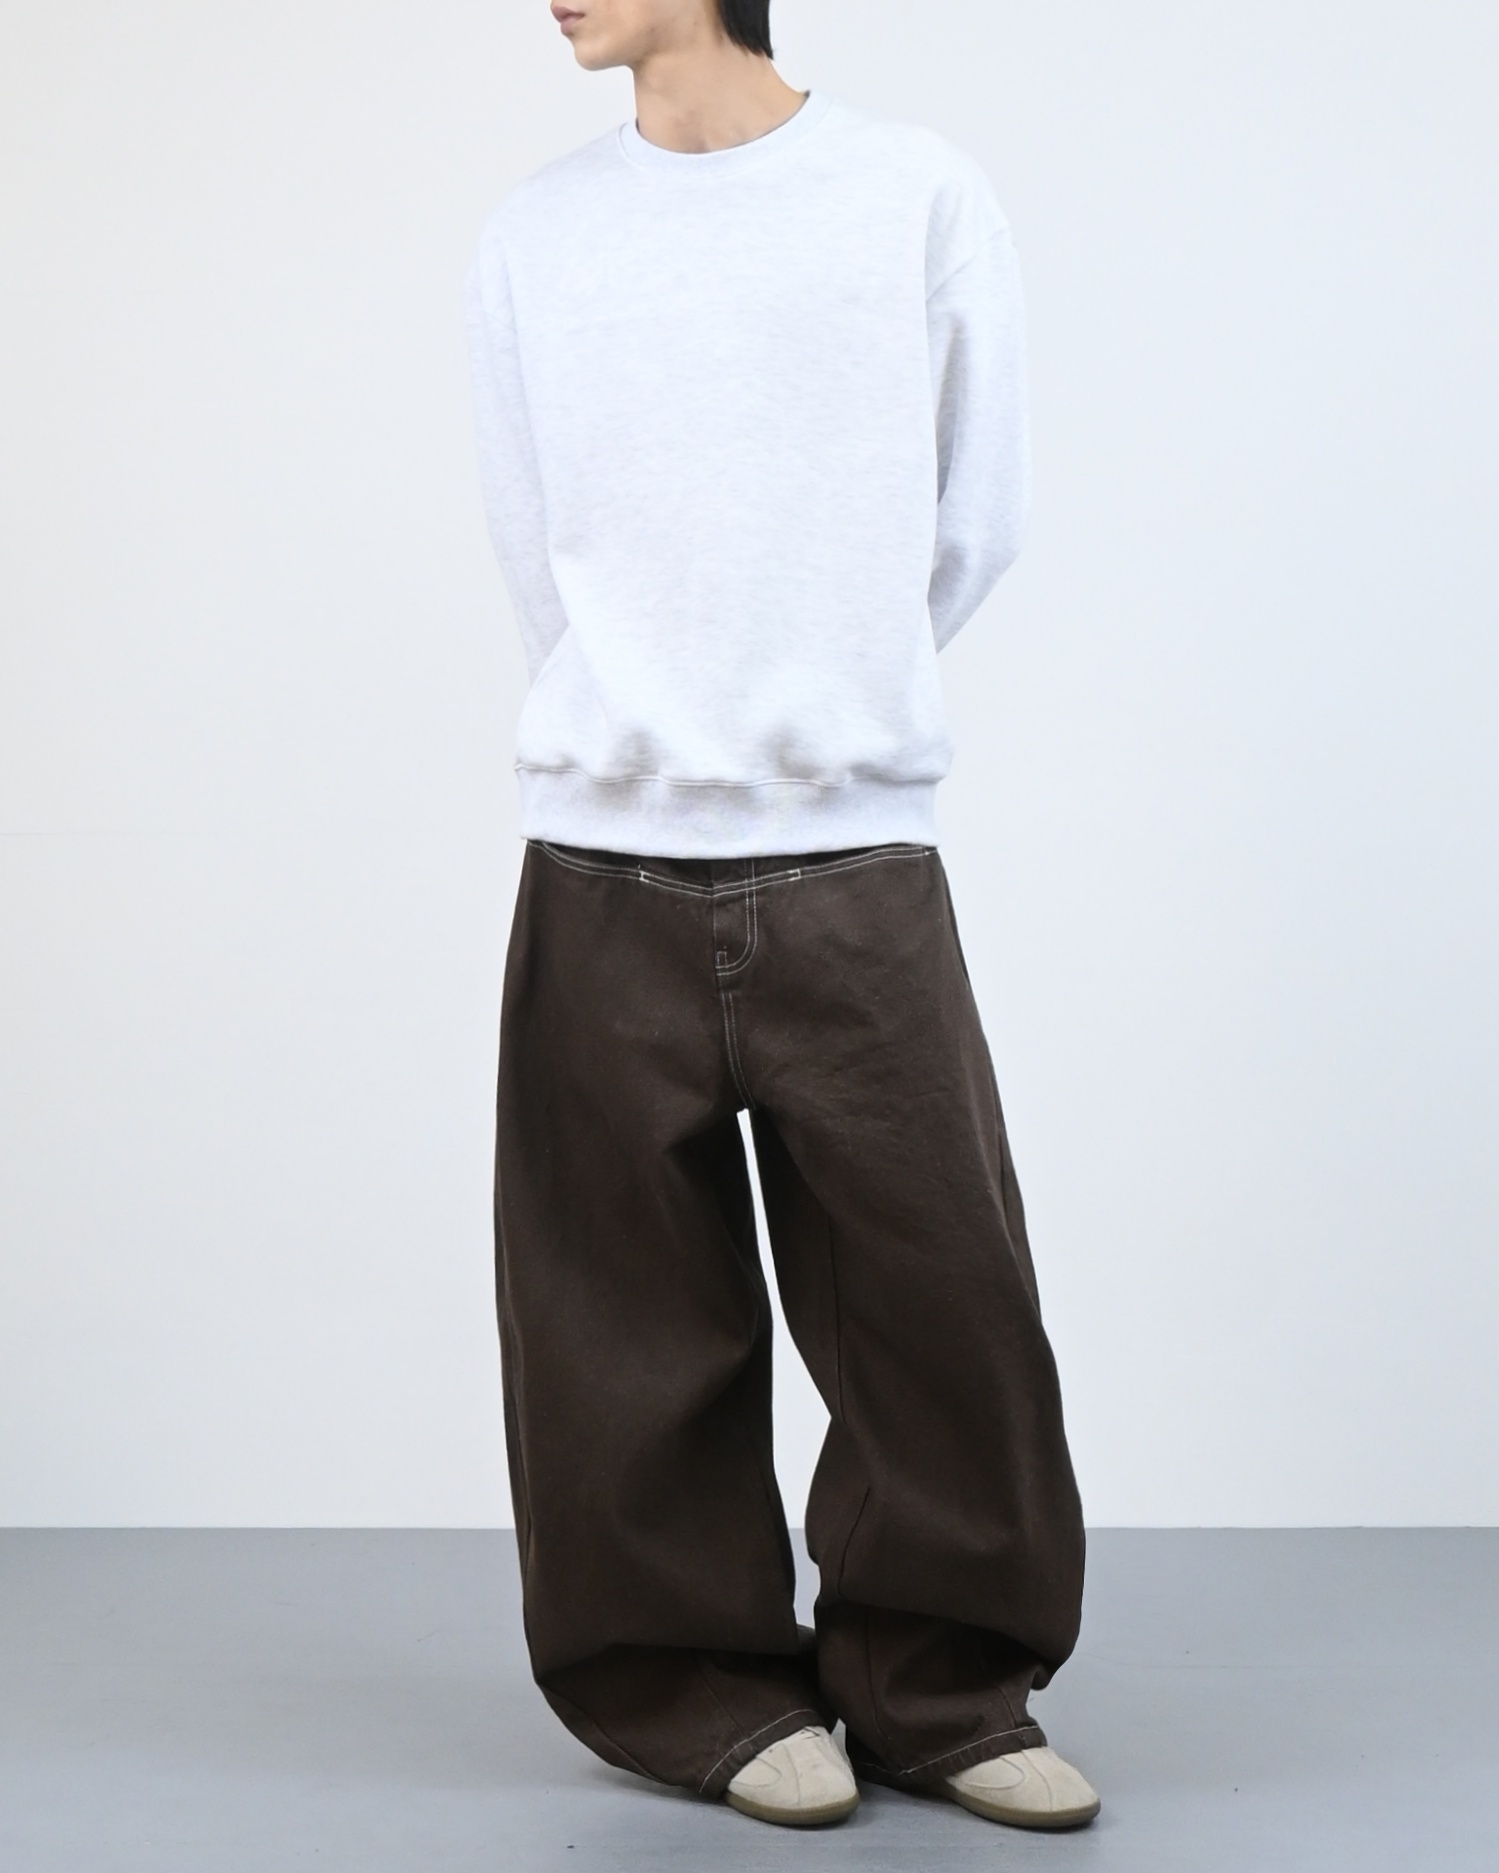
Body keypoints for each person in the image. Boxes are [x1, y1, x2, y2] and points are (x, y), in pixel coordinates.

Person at [464, 0, 1099, 1833]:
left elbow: (977, 517)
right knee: (618, 1323)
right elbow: (538, 545)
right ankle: (695, 1688)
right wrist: (655, 720)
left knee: (936, 1295)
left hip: (851, 850)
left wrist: (823, 703)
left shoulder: (911, 194)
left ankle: (941, 1682)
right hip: (600, 856)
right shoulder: (535, 235)